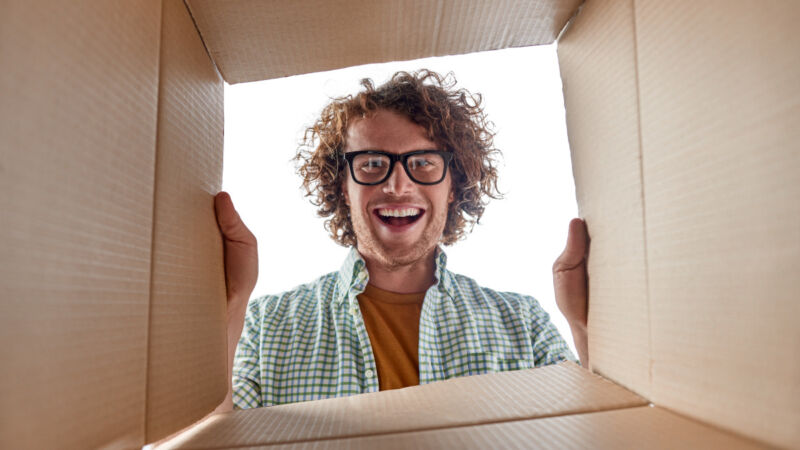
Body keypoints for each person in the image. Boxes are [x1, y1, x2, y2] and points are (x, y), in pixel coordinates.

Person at [213, 70, 589, 412]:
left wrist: (587, 330)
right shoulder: (265, 327)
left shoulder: (523, 324)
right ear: (343, 187)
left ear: (453, 184)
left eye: (423, 162)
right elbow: (213, 441)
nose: (397, 185)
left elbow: (595, 430)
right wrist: (228, 308)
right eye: (372, 164)